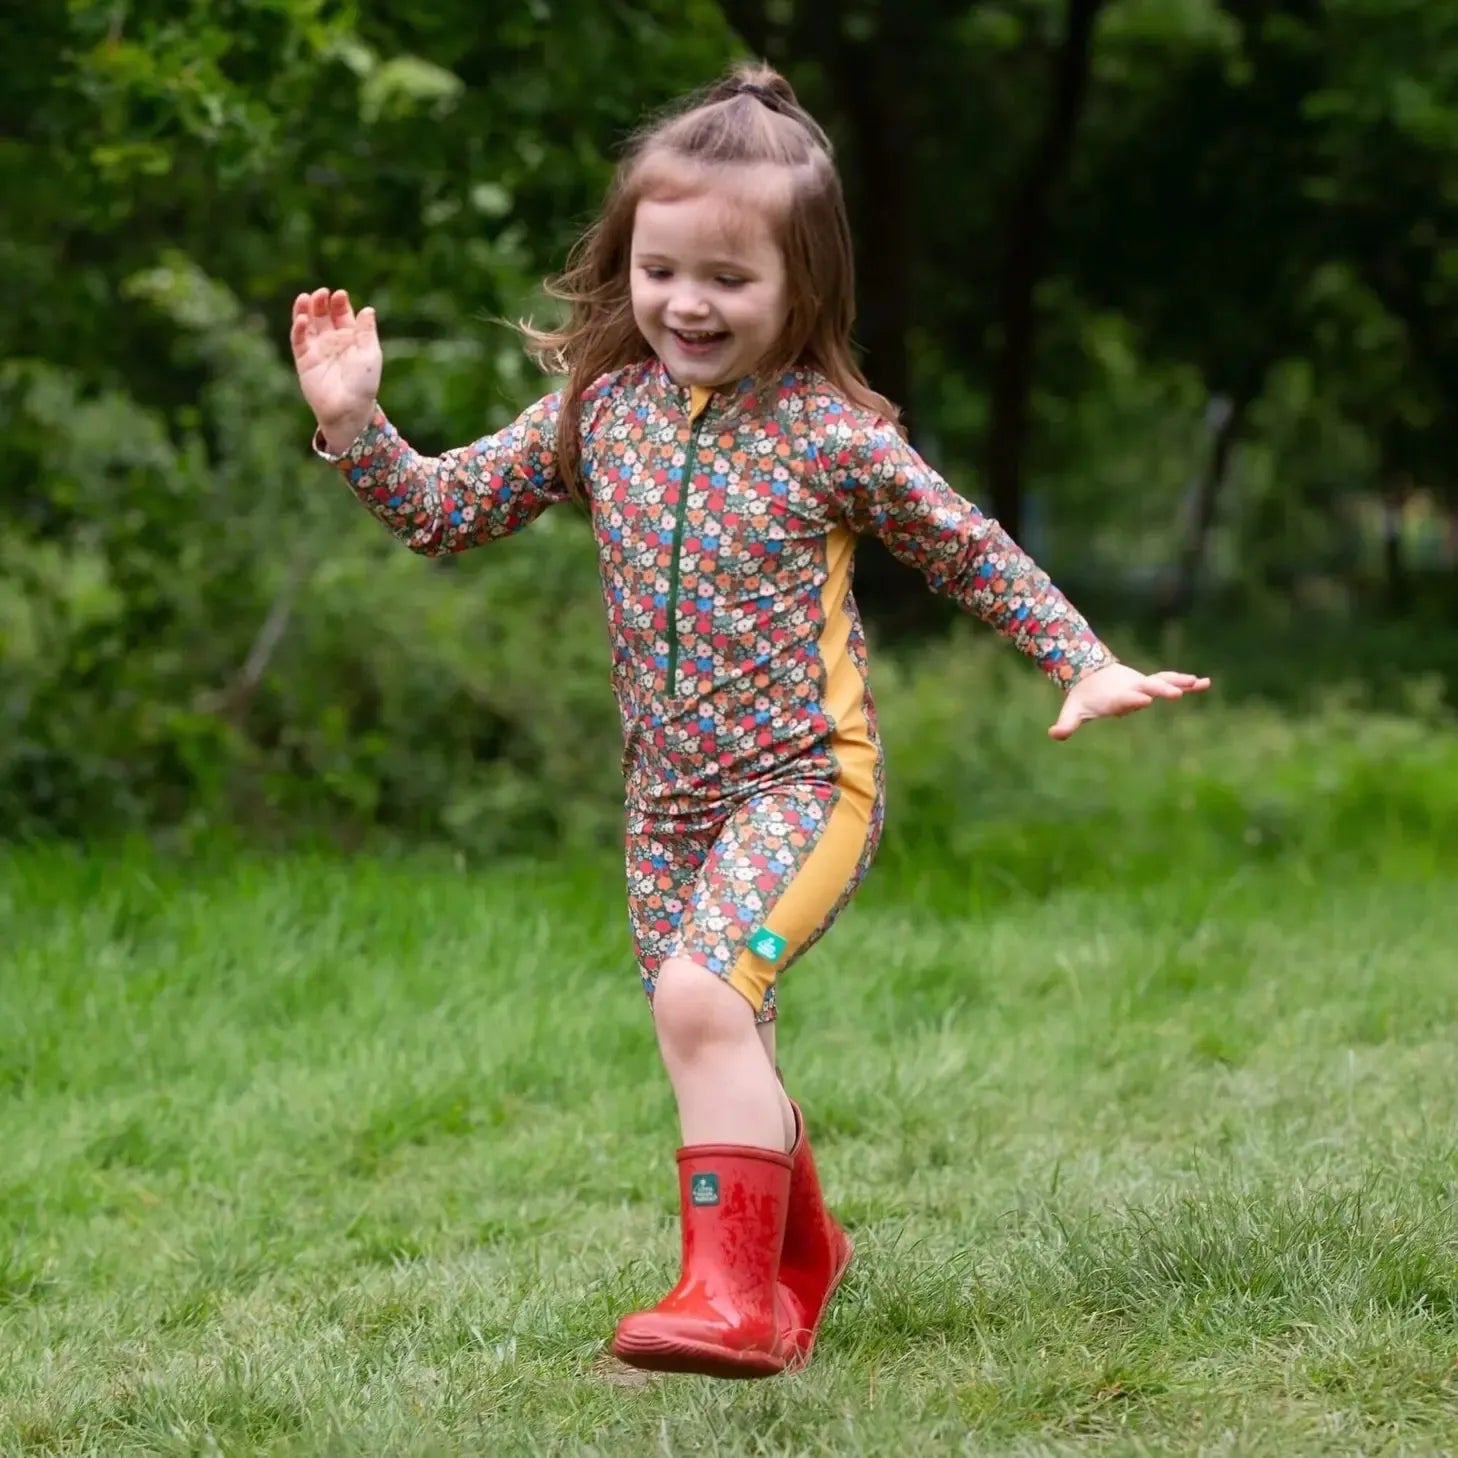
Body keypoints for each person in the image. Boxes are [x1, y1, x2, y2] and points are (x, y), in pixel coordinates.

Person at [290, 61, 1209, 1381]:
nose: (687, 302)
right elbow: (442, 511)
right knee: (715, 1025)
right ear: (627, 264)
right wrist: (356, 423)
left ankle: (725, 1298)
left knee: (701, 997)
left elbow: (967, 549)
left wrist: (1080, 658)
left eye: (728, 278)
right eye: (663, 269)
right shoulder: (596, 414)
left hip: (804, 785)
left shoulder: (830, 435)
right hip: (666, 801)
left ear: (802, 289)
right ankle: (795, 1262)